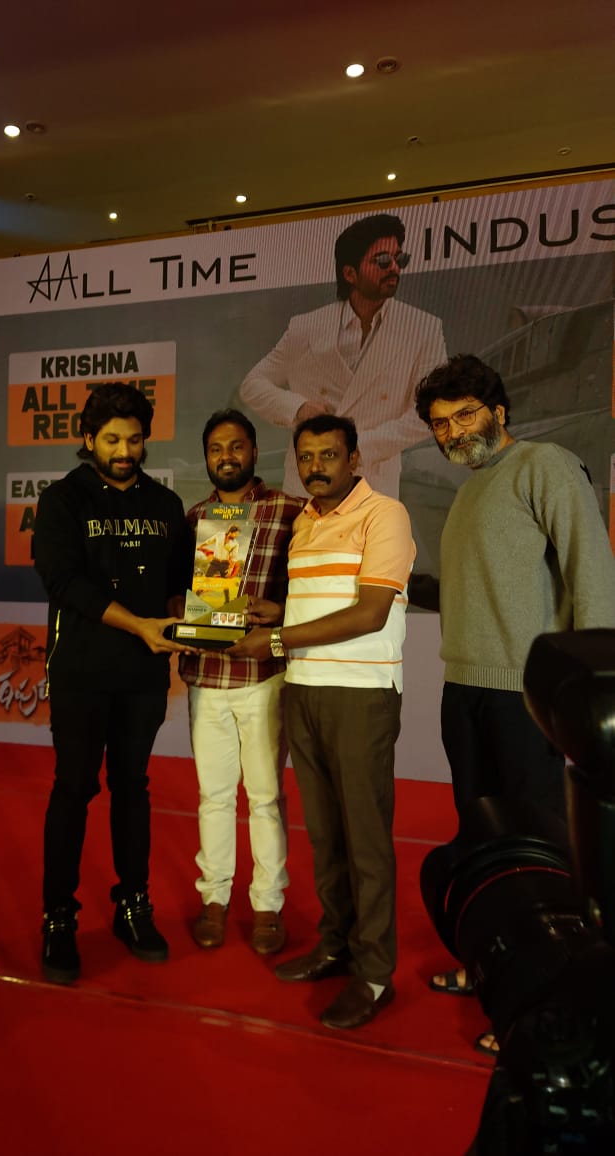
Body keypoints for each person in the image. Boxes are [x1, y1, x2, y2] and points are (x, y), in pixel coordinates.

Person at [412, 354, 615, 1052]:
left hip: (525, 698)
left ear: (498, 411)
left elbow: (592, 575)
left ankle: (548, 1000)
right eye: (440, 423)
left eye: (464, 414)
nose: (453, 431)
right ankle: (494, 969)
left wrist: (587, 694)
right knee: (488, 847)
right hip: (465, 689)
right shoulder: (471, 489)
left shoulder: (544, 465)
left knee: (542, 854)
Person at [229, 415, 415, 1030]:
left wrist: (276, 638)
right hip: (303, 689)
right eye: (306, 456)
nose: (316, 467)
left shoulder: (385, 515)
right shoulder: (305, 521)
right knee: (326, 834)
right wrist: (278, 611)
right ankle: (336, 946)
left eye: (329, 455)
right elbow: (324, 601)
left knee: (365, 839)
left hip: (360, 694)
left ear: (355, 459)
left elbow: (369, 612)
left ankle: (375, 973)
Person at [33, 383, 193, 985]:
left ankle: (133, 905)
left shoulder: (166, 504)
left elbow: (179, 584)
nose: (124, 450)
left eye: (134, 439)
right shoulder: (61, 500)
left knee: (132, 788)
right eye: (112, 439)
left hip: (143, 675)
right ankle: (58, 916)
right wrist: (140, 625)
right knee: (73, 788)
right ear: (88, 439)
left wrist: (198, 615)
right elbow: (65, 583)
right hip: (80, 671)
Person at [179, 410, 304, 954]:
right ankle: (214, 897)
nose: (226, 457)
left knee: (266, 797)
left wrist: (281, 612)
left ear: (254, 451)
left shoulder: (289, 510)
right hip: (206, 677)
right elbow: (180, 593)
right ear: (206, 457)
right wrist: (180, 619)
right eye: (215, 449)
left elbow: (309, 590)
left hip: (263, 676)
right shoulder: (196, 518)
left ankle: (268, 904)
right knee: (213, 796)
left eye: (235, 447)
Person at [239, 212, 446, 499]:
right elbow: (253, 385)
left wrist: (358, 447)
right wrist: (298, 408)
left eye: (400, 259)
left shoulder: (423, 328)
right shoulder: (306, 327)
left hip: (373, 485)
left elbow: (429, 411)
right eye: (382, 261)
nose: (395, 268)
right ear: (350, 274)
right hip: (307, 487)